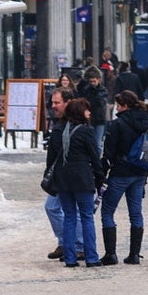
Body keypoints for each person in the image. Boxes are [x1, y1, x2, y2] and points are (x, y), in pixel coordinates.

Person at [100, 90, 148, 264]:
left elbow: (108, 152)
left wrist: (102, 173)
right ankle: (134, 254)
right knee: (136, 213)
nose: (116, 108)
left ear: (124, 105)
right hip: (139, 173)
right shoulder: (144, 120)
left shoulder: (117, 125)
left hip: (120, 173)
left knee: (107, 211)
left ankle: (111, 254)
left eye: (118, 104)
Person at [55, 98, 103, 267]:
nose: (90, 113)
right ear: (81, 112)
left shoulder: (61, 130)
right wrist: (100, 179)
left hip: (64, 179)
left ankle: (70, 258)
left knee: (69, 217)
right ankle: (91, 257)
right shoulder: (86, 131)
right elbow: (94, 156)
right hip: (82, 179)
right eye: (87, 110)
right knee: (87, 217)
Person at [42, 87, 69, 261]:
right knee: (52, 207)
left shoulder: (71, 122)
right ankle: (65, 242)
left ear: (67, 103)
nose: (53, 106)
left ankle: (74, 244)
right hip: (58, 173)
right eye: (52, 102)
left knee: (70, 210)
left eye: (57, 102)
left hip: (68, 174)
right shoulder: (58, 122)